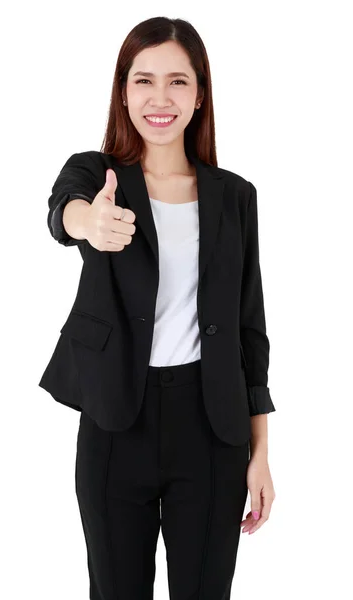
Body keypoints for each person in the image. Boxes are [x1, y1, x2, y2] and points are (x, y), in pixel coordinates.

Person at [39, 16, 276, 600]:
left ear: (199, 95)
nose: (160, 98)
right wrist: (90, 223)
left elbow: (251, 332)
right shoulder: (98, 177)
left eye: (178, 81)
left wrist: (262, 453)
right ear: (124, 92)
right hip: (118, 422)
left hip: (213, 428)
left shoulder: (235, 197)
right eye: (143, 80)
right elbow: (61, 213)